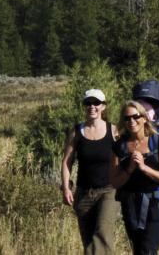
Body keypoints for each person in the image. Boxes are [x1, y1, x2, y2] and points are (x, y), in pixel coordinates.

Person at [110, 100, 159, 255]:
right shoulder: (119, 146)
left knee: (148, 250)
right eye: (127, 118)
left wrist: (144, 168)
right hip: (130, 205)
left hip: (155, 203)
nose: (131, 121)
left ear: (145, 118)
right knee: (138, 249)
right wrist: (130, 169)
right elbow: (114, 182)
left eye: (135, 116)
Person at [61, 88, 119, 255]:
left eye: (96, 103)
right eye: (88, 103)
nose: (92, 106)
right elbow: (67, 162)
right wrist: (66, 187)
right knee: (88, 241)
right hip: (84, 192)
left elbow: (125, 157)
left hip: (109, 190)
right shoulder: (76, 132)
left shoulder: (114, 131)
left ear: (104, 106)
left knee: (102, 233)